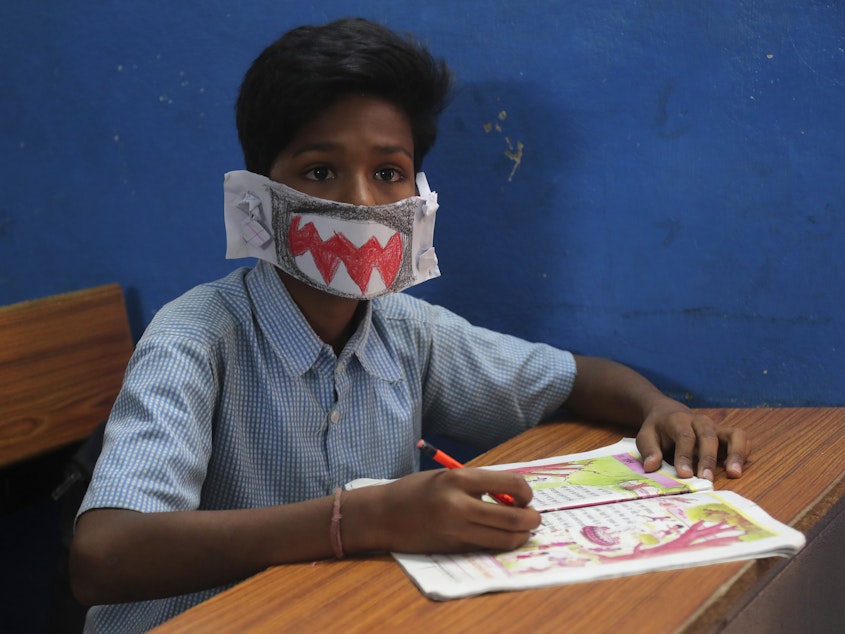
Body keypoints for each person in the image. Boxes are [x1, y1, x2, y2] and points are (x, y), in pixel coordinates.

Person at [69, 17, 750, 631]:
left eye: (389, 171)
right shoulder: (193, 337)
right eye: (320, 170)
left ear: (418, 196)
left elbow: (573, 380)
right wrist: (361, 520)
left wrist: (656, 407)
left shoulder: (406, 329)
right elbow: (105, 557)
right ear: (258, 199)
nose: (360, 202)